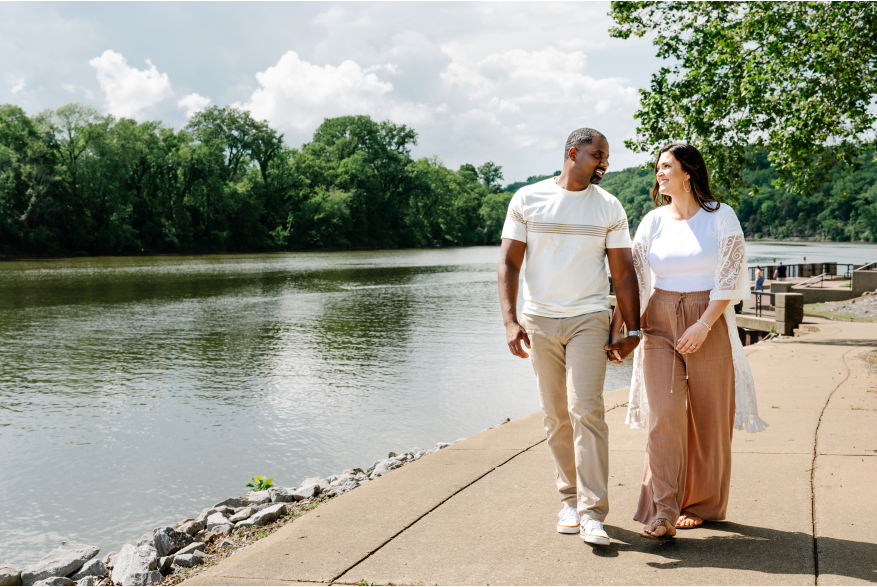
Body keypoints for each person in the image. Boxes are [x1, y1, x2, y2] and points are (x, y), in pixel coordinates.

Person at [617, 142, 768, 540]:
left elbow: (731, 274)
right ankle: (663, 511)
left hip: (709, 317)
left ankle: (703, 503)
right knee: (664, 417)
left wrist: (703, 324)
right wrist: (623, 328)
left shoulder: (721, 216)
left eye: (666, 166)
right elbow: (630, 279)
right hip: (660, 320)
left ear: (688, 172)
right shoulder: (652, 222)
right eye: (657, 167)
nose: (659, 173)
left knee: (710, 419)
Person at [498, 128, 641, 546]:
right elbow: (508, 262)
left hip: (589, 319)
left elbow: (623, 271)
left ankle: (594, 512)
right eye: (599, 155)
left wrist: (630, 327)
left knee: (587, 409)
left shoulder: (609, 206)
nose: (605, 163)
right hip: (539, 320)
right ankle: (569, 501)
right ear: (573, 153)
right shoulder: (527, 199)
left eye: (607, 157)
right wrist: (510, 321)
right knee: (555, 414)